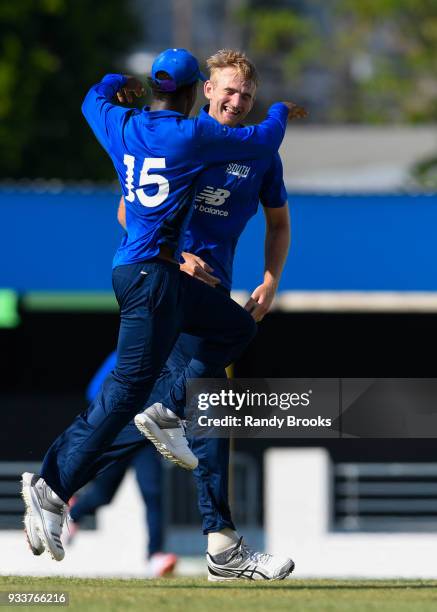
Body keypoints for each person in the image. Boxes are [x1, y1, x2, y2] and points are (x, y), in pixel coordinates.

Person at [21, 48, 296, 574]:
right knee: (161, 407)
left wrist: (270, 278)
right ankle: (61, 490)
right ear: (205, 91)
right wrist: (177, 260)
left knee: (178, 412)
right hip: (166, 286)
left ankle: (217, 542)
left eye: (247, 94)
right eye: (227, 90)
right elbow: (129, 207)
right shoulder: (190, 137)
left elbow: (278, 221)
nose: (237, 100)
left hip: (197, 298)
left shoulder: (188, 138)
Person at [68, 352, 178, 578]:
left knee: (153, 492)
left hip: (147, 439)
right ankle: (75, 512)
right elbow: (94, 392)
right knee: (102, 496)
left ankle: (155, 556)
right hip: (117, 437)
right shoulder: (126, 353)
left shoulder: (171, 358)